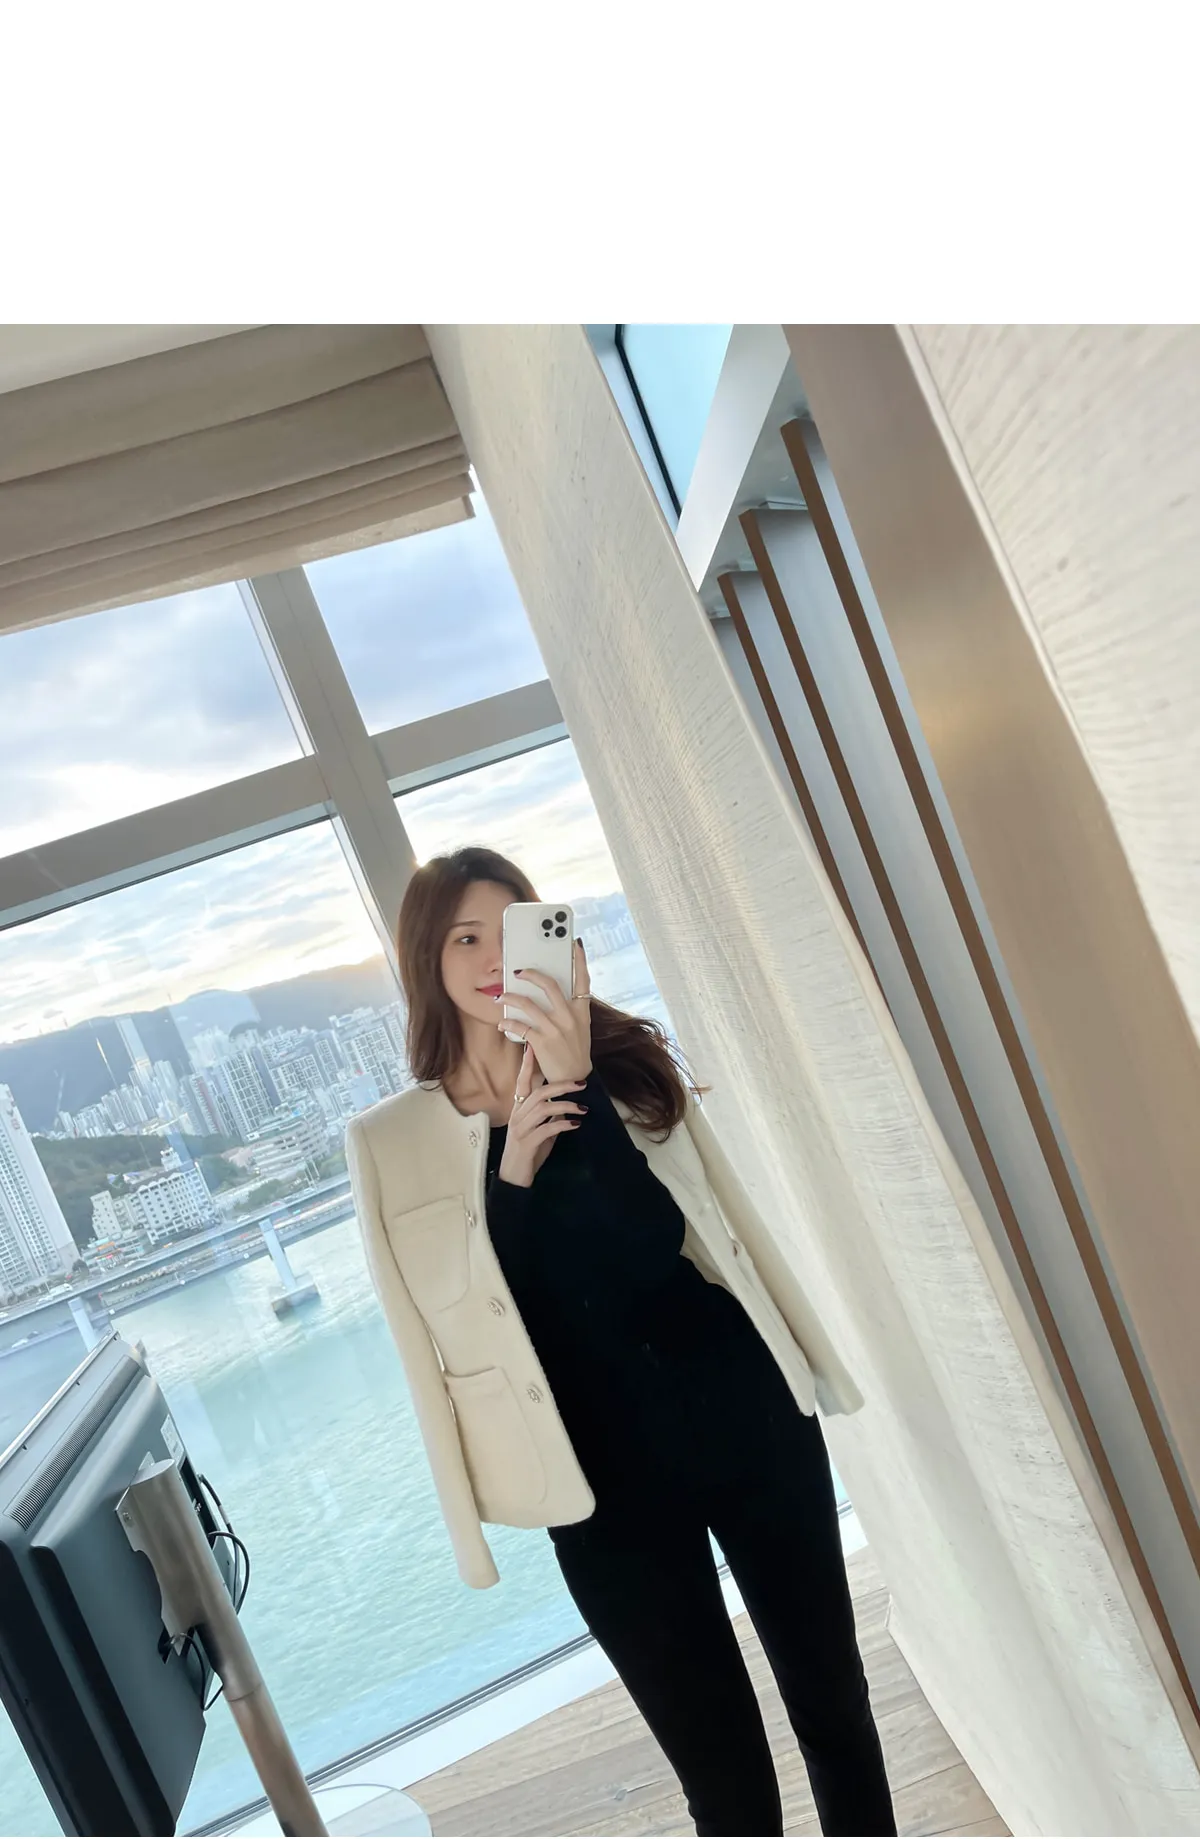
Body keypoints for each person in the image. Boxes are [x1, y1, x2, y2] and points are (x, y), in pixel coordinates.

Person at [346, 846, 896, 1839]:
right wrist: (512, 1175)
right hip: (599, 1491)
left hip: (744, 1418)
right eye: (463, 937)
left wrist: (578, 1086)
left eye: (509, 930)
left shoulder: (624, 1062)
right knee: (723, 1782)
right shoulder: (392, 1143)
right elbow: (464, 1327)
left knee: (834, 1708)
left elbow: (652, 1250)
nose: (490, 956)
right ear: (424, 956)